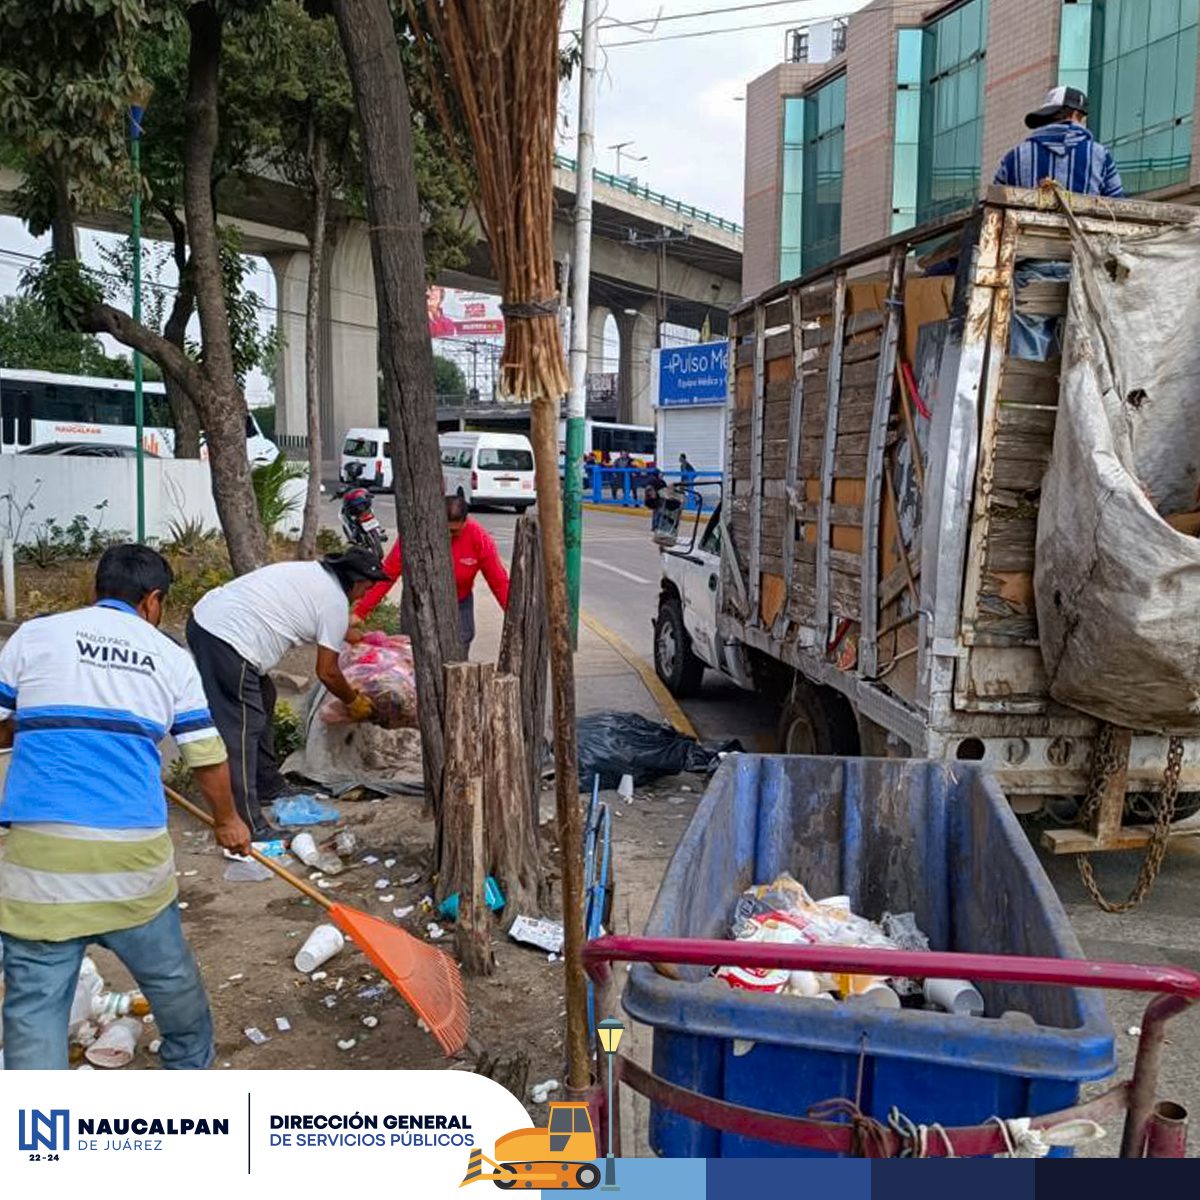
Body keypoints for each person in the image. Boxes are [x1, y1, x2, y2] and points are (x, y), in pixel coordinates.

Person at [0, 545, 251, 1070]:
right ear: (153, 600)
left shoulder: (34, 636)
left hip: (38, 869)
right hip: (131, 867)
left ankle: (33, 1134)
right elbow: (206, 755)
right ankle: (188, 1071)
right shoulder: (170, 658)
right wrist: (228, 822)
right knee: (171, 979)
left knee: (33, 1010)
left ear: (97, 590)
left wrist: (30, 725)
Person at [187, 547, 391, 841]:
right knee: (243, 725)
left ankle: (268, 784)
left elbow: (311, 612)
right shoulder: (333, 602)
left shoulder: (315, 575)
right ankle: (246, 821)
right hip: (226, 637)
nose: (366, 594)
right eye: (368, 587)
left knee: (264, 696)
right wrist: (353, 700)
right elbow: (328, 672)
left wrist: (348, 633)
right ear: (356, 580)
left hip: (212, 619)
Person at [354, 495, 509, 648]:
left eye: (454, 532)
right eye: (445, 530)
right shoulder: (415, 534)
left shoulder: (479, 538)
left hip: (459, 602)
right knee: (414, 650)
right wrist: (360, 612)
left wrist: (513, 616)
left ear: (465, 522)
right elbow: (388, 573)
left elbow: (499, 582)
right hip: (419, 601)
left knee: (459, 648)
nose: (448, 536)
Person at [993, 86, 1123, 198]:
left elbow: (995, 202)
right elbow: (1118, 208)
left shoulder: (1015, 156)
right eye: (1082, 117)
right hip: (1082, 227)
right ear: (1074, 115)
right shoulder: (1099, 155)